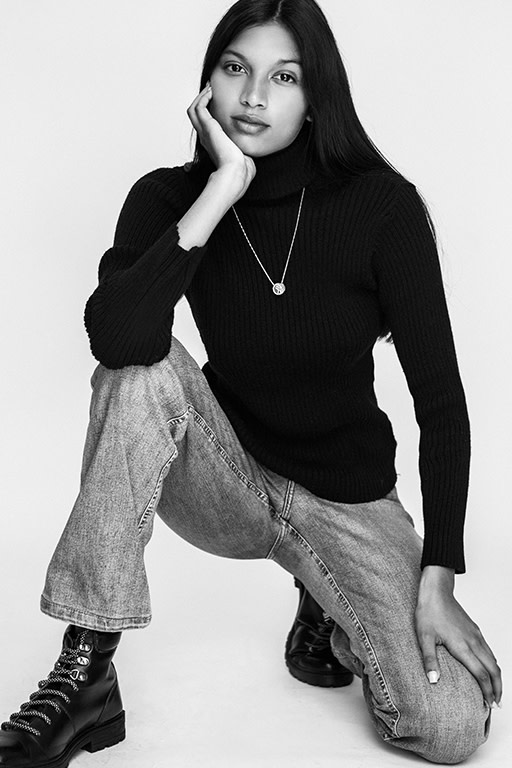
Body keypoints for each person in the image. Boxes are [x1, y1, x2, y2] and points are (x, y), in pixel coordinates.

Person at [0, 0, 502, 765]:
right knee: (140, 371)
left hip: (347, 500)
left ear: (317, 96)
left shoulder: (381, 207)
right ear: (209, 83)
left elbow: (442, 403)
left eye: (284, 77)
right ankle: (87, 668)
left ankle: (328, 605)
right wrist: (222, 187)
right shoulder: (169, 199)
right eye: (236, 69)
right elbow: (118, 341)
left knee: (451, 726)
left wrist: (439, 577)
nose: (255, 96)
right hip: (226, 479)